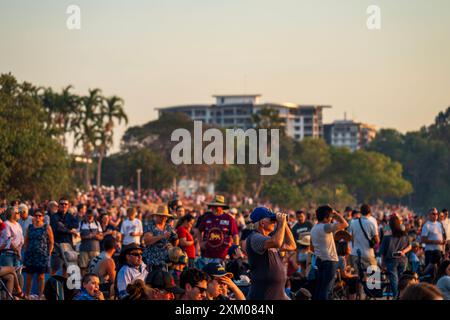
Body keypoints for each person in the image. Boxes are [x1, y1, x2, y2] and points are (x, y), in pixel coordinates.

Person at [246, 207, 296, 300]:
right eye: (272, 220)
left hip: (279, 294)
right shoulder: (255, 237)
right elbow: (276, 242)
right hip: (263, 295)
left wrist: (284, 224)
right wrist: (280, 223)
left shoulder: (270, 239)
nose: (274, 222)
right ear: (262, 223)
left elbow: (291, 245)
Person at [310, 205, 348, 300]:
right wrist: (336, 214)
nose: (331, 219)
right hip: (330, 261)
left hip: (319, 261)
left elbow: (311, 247)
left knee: (319, 288)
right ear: (326, 218)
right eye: (330, 217)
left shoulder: (313, 229)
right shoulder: (326, 227)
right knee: (326, 289)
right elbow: (345, 224)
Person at [197, 195, 239, 266]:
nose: (213, 208)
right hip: (208, 255)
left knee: (221, 275)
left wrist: (235, 250)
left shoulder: (229, 219)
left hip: (223, 256)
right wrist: (201, 243)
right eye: (213, 206)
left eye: (216, 206)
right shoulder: (207, 218)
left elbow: (235, 236)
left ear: (221, 207)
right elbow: (199, 231)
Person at [23, 208, 54, 299]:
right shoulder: (30, 227)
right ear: (33, 217)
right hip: (30, 255)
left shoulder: (47, 227)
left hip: (42, 255)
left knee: (41, 276)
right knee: (29, 276)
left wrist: (49, 252)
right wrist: (26, 251)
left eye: (39, 215)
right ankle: (27, 295)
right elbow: (26, 240)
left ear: (42, 217)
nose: (37, 217)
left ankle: (40, 296)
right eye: (36, 215)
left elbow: (51, 241)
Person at [379, 214, 412, 299]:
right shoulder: (405, 234)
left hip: (391, 260)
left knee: (394, 280)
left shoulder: (387, 236)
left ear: (390, 224)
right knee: (402, 280)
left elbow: (382, 251)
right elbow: (410, 246)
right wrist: (403, 251)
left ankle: (396, 296)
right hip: (403, 260)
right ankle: (403, 296)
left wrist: (382, 263)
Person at [142, 205, 178, 272]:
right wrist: (162, 236)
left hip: (166, 261)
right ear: (156, 216)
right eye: (161, 216)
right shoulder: (151, 226)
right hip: (152, 260)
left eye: (165, 216)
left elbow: (176, 240)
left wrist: (172, 246)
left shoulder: (168, 227)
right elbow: (147, 241)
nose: (163, 218)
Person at [50, 198, 79, 276]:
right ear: (58, 206)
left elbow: (76, 225)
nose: (63, 205)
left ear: (68, 205)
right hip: (57, 244)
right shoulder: (54, 216)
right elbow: (57, 228)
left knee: (66, 267)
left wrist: (64, 226)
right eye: (62, 204)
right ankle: (52, 286)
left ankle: (64, 287)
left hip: (68, 244)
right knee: (54, 268)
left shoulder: (70, 216)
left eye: (65, 204)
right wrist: (69, 230)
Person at [348, 204, 380, 273]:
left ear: (361, 212)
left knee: (357, 278)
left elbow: (351, 238)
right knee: (373, 280)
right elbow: (377, 240)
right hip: (368, 254)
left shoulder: (353, 223)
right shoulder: (371, 223)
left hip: (355, 254)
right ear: (369, 212)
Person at [78, 209, 104, 275]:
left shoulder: (97, 224)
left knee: (95, 266)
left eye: (91, 216)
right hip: (83, 248)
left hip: (95, 249)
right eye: (88, 216)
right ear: (85, 216)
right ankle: (84, 281)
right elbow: (77, 237)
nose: (89, 218)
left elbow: (101, 237)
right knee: (83, 267)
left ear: (93, 216)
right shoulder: (81, 223)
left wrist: (96, 236)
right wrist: (88, 237)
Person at [421, 208, 446, 274]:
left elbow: (442, 237)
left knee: (439, 272)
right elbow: (423, 239)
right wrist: (434, 242)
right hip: (430, 251)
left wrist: (444, 242)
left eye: (437, 214)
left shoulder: (439, 224)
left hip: (439, 251)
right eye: (433, 214)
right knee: (429, 273)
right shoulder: (426, 225)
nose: (436, 215)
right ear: (429, 215)